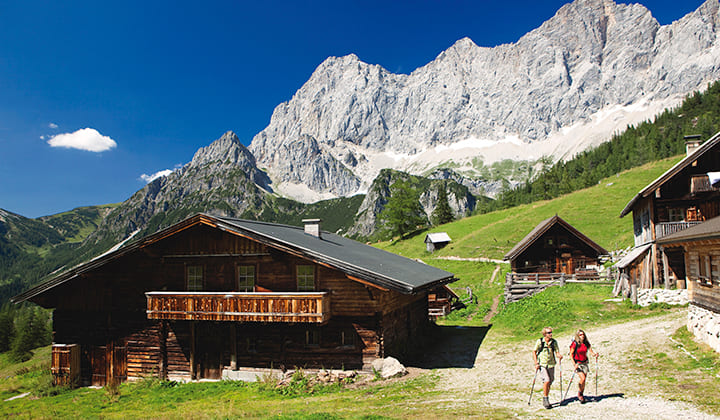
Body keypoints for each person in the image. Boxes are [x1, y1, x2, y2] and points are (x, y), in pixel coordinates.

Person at [532, 326, 563, 409]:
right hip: (542, 364)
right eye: (549, 333)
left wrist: (559, 355)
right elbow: (534, 351)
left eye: (551, 332)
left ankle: (546, 395)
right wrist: (536, 363)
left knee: (551, 381)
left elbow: (557, 351)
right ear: (544, 334)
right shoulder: (540, 342)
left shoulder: (554, 342)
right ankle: (545, 399)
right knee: (547, 380)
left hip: (551, 363)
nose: (551, 334)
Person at [569, 329, 600, 403]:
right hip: (578, 363)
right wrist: (574, 364)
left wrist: (595, 355)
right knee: (582, 378)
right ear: (577, 336)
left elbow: (591, 352)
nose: (582, 336)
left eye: (583, 334)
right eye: (580, 335)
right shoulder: (575, 344)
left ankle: (581, 394)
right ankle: (580, 393)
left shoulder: (586, 343)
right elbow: (571, 354)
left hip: (585, 363)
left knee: (584, 379)